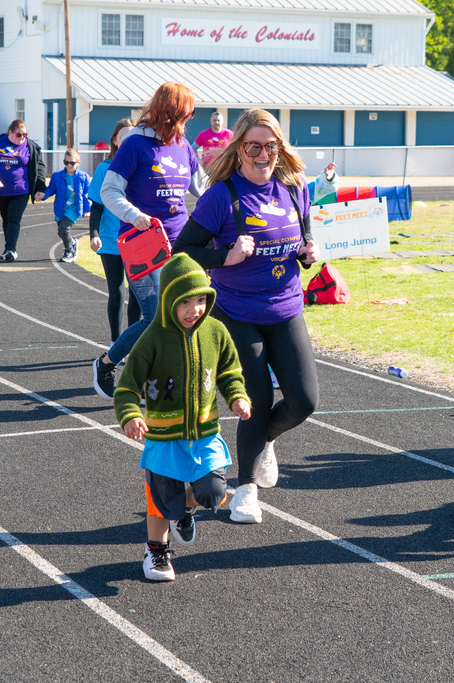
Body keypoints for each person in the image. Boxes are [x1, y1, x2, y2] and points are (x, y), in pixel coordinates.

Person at [174, 108, 321, 524]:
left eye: (270, 146)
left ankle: (265, 441)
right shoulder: (222, 195)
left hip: (286, 306)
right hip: (237, 312)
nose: (263, 154)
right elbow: (182, 250)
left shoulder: (294, 187)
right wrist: (227, 256)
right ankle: (246, 490)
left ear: (280, 148)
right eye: (254, 146)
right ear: (239, 148)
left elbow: (303, 240)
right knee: (255, 402)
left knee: (305, 401)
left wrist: (309, 253)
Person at [116, 254, 252, 581]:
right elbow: (127, 388)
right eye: (186, 302)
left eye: (201, 300)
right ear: (168, 301)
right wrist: (131, 415)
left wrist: (237, 396)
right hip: (164, 439)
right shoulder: (152, 339)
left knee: (214, 491)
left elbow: (230, 372)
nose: (195, 309)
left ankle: (185, 507)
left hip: (204, 436)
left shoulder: (215, 332)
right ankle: (156, 552)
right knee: (161, 502)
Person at [91, 82, 202, 399]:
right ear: (168, 113)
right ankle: (107, 362)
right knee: (155, 318)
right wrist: (133, 215)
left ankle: (166, 377)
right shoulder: (134, 144)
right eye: (183, 116)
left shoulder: (183, 145)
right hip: (143, 244)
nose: (186, 123)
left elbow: (202, 189)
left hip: (180, 244)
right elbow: (109, 191)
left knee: (184, 314)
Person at [89, 118, 141, 341]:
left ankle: (134, 343)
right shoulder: (104, 169)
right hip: (110, 240)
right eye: (124, 137)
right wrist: (93, 234)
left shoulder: (141, 167)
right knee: (118, 293)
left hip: (136, 240)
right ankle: (116, 342)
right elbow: (97, 206)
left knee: (138, 295)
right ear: (115, 141)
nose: (128, 140)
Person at [0, 119, 47, 263]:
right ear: (10, 132)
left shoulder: (31, 147)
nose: (22, 137)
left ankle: (11, 250)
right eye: (19, 134)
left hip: (20, 190)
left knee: (14, 219)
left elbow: (39, 168)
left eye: (25, 134)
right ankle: (8, 248)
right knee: (6, 219)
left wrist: (40, 188)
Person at [37, 148, 91, 263]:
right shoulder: (57, 176)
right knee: (61, 232)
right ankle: (72, 242)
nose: (69, 165)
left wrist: (87, 210)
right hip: (61, 207)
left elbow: (87, 195)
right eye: (66, 162)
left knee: (64, 228)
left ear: (78, 163)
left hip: (74, 208)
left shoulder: (83, 177)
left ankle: (69, 251)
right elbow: (51, 189)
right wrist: (43, 195)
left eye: (72, 163)